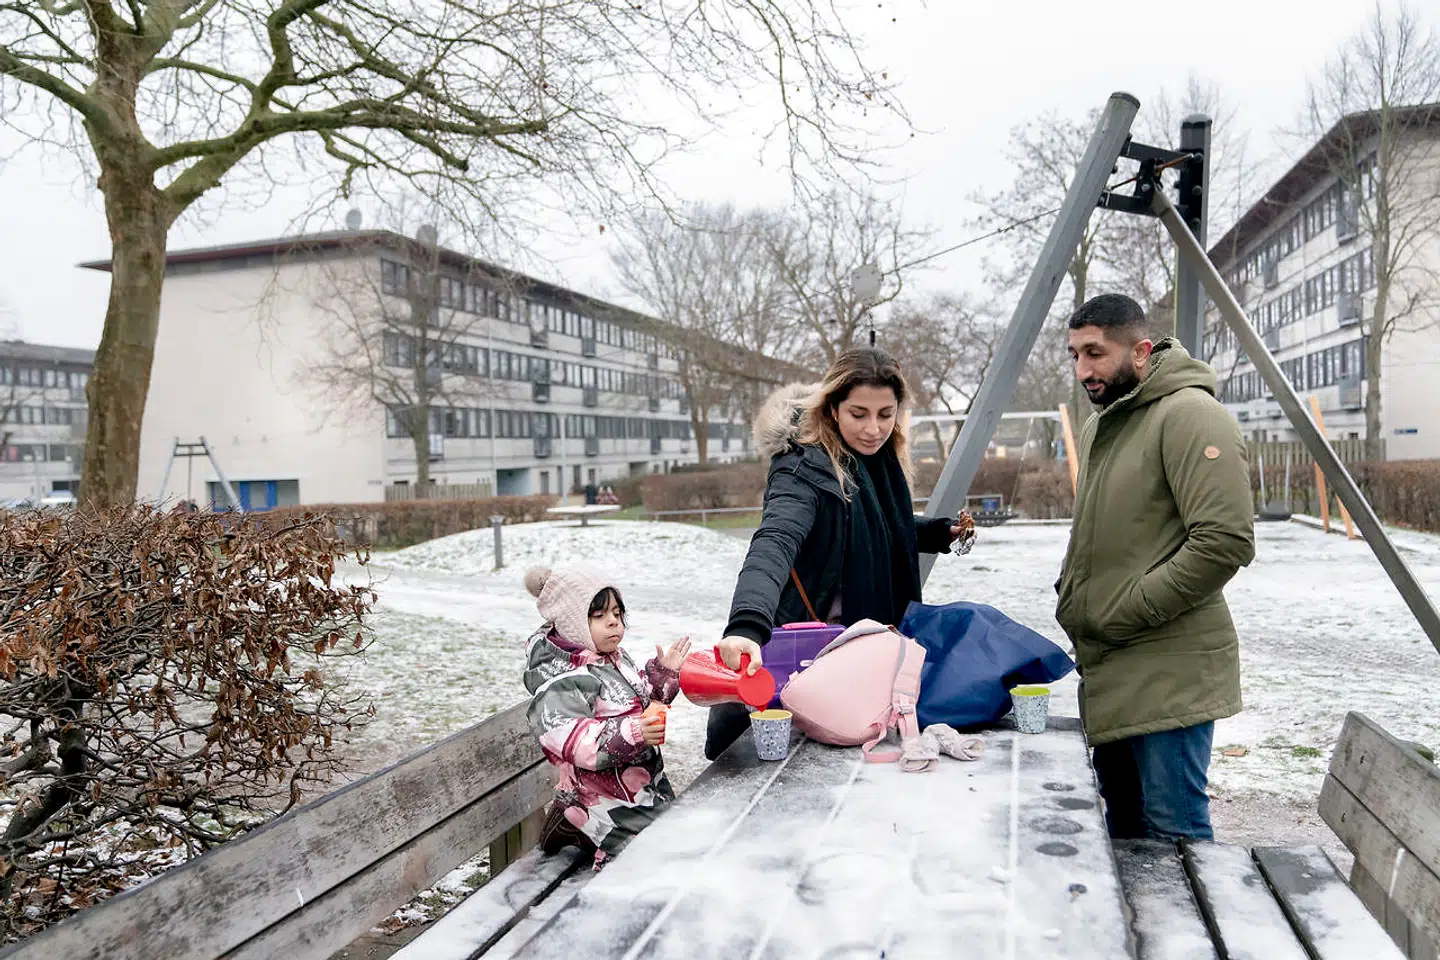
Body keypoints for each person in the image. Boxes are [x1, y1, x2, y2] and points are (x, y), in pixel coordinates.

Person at [707, 347, 975, 759]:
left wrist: (937, 532)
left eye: (885, 414)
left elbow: (873, 527)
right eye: (858, 414)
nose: (873, 428)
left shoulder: (878, 461)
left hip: (856, 653)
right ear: (833, 409)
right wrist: (746, 625)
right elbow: (774, 541)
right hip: (809, 659)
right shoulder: (802, 467)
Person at [1056, 293, 1255, 842]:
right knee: (1123, 830)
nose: (1083, 370)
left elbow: (1224, 541)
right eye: (1075, 355)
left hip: (1170, 669)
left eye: (1095, 353)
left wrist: (1129, 607)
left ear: (1141, 352)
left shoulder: (1190, 415)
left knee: (1174, 836)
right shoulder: (1105, 424)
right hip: (1112, 664)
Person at [523, 566, 692, 870]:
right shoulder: (562, 680)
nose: (614, 621)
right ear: (573, 622)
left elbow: (639, 700)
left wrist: (662, 675)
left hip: (640, 785)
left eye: (617, 613)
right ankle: (578, 821)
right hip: (600, 796)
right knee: (637, 861)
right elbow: (577, 742)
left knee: (675, 838)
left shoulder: (614, 658)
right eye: (599, 615)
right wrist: (635, 732)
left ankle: (575, 825)